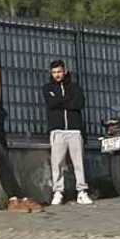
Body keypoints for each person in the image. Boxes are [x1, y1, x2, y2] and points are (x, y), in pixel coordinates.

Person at [0, 67, 41, 213]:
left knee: (4, 165)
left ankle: (17, 198)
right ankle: (15, 198)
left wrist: (0, 113)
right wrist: (1, 113)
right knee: (4, 163)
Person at [43, 59, 93, 205]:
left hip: (74, 130)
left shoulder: (75, 87)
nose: (57, 75)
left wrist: (60, 101)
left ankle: (82, 192)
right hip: (57, 130)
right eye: (54, 72)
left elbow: (79, 103)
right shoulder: (47, 88)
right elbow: (51, 103)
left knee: (79, 163)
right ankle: (58, 192)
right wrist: (67, 101)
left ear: (65, 71)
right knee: (57, 163)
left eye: (59, 71)